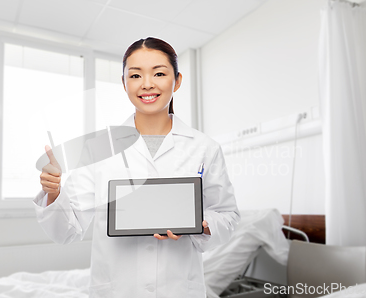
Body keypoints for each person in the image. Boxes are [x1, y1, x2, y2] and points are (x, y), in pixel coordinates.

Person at [34, 37, 240, 298]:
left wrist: (198, 223)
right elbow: (66, 231)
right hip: (118, 289)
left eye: (159, 73)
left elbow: (228, 215)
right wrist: (54, 192)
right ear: (124, 83)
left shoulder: (204, 148)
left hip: (178, 288)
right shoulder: (99, 147)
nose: (147, 84)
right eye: (135, 75)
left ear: (177, 80)